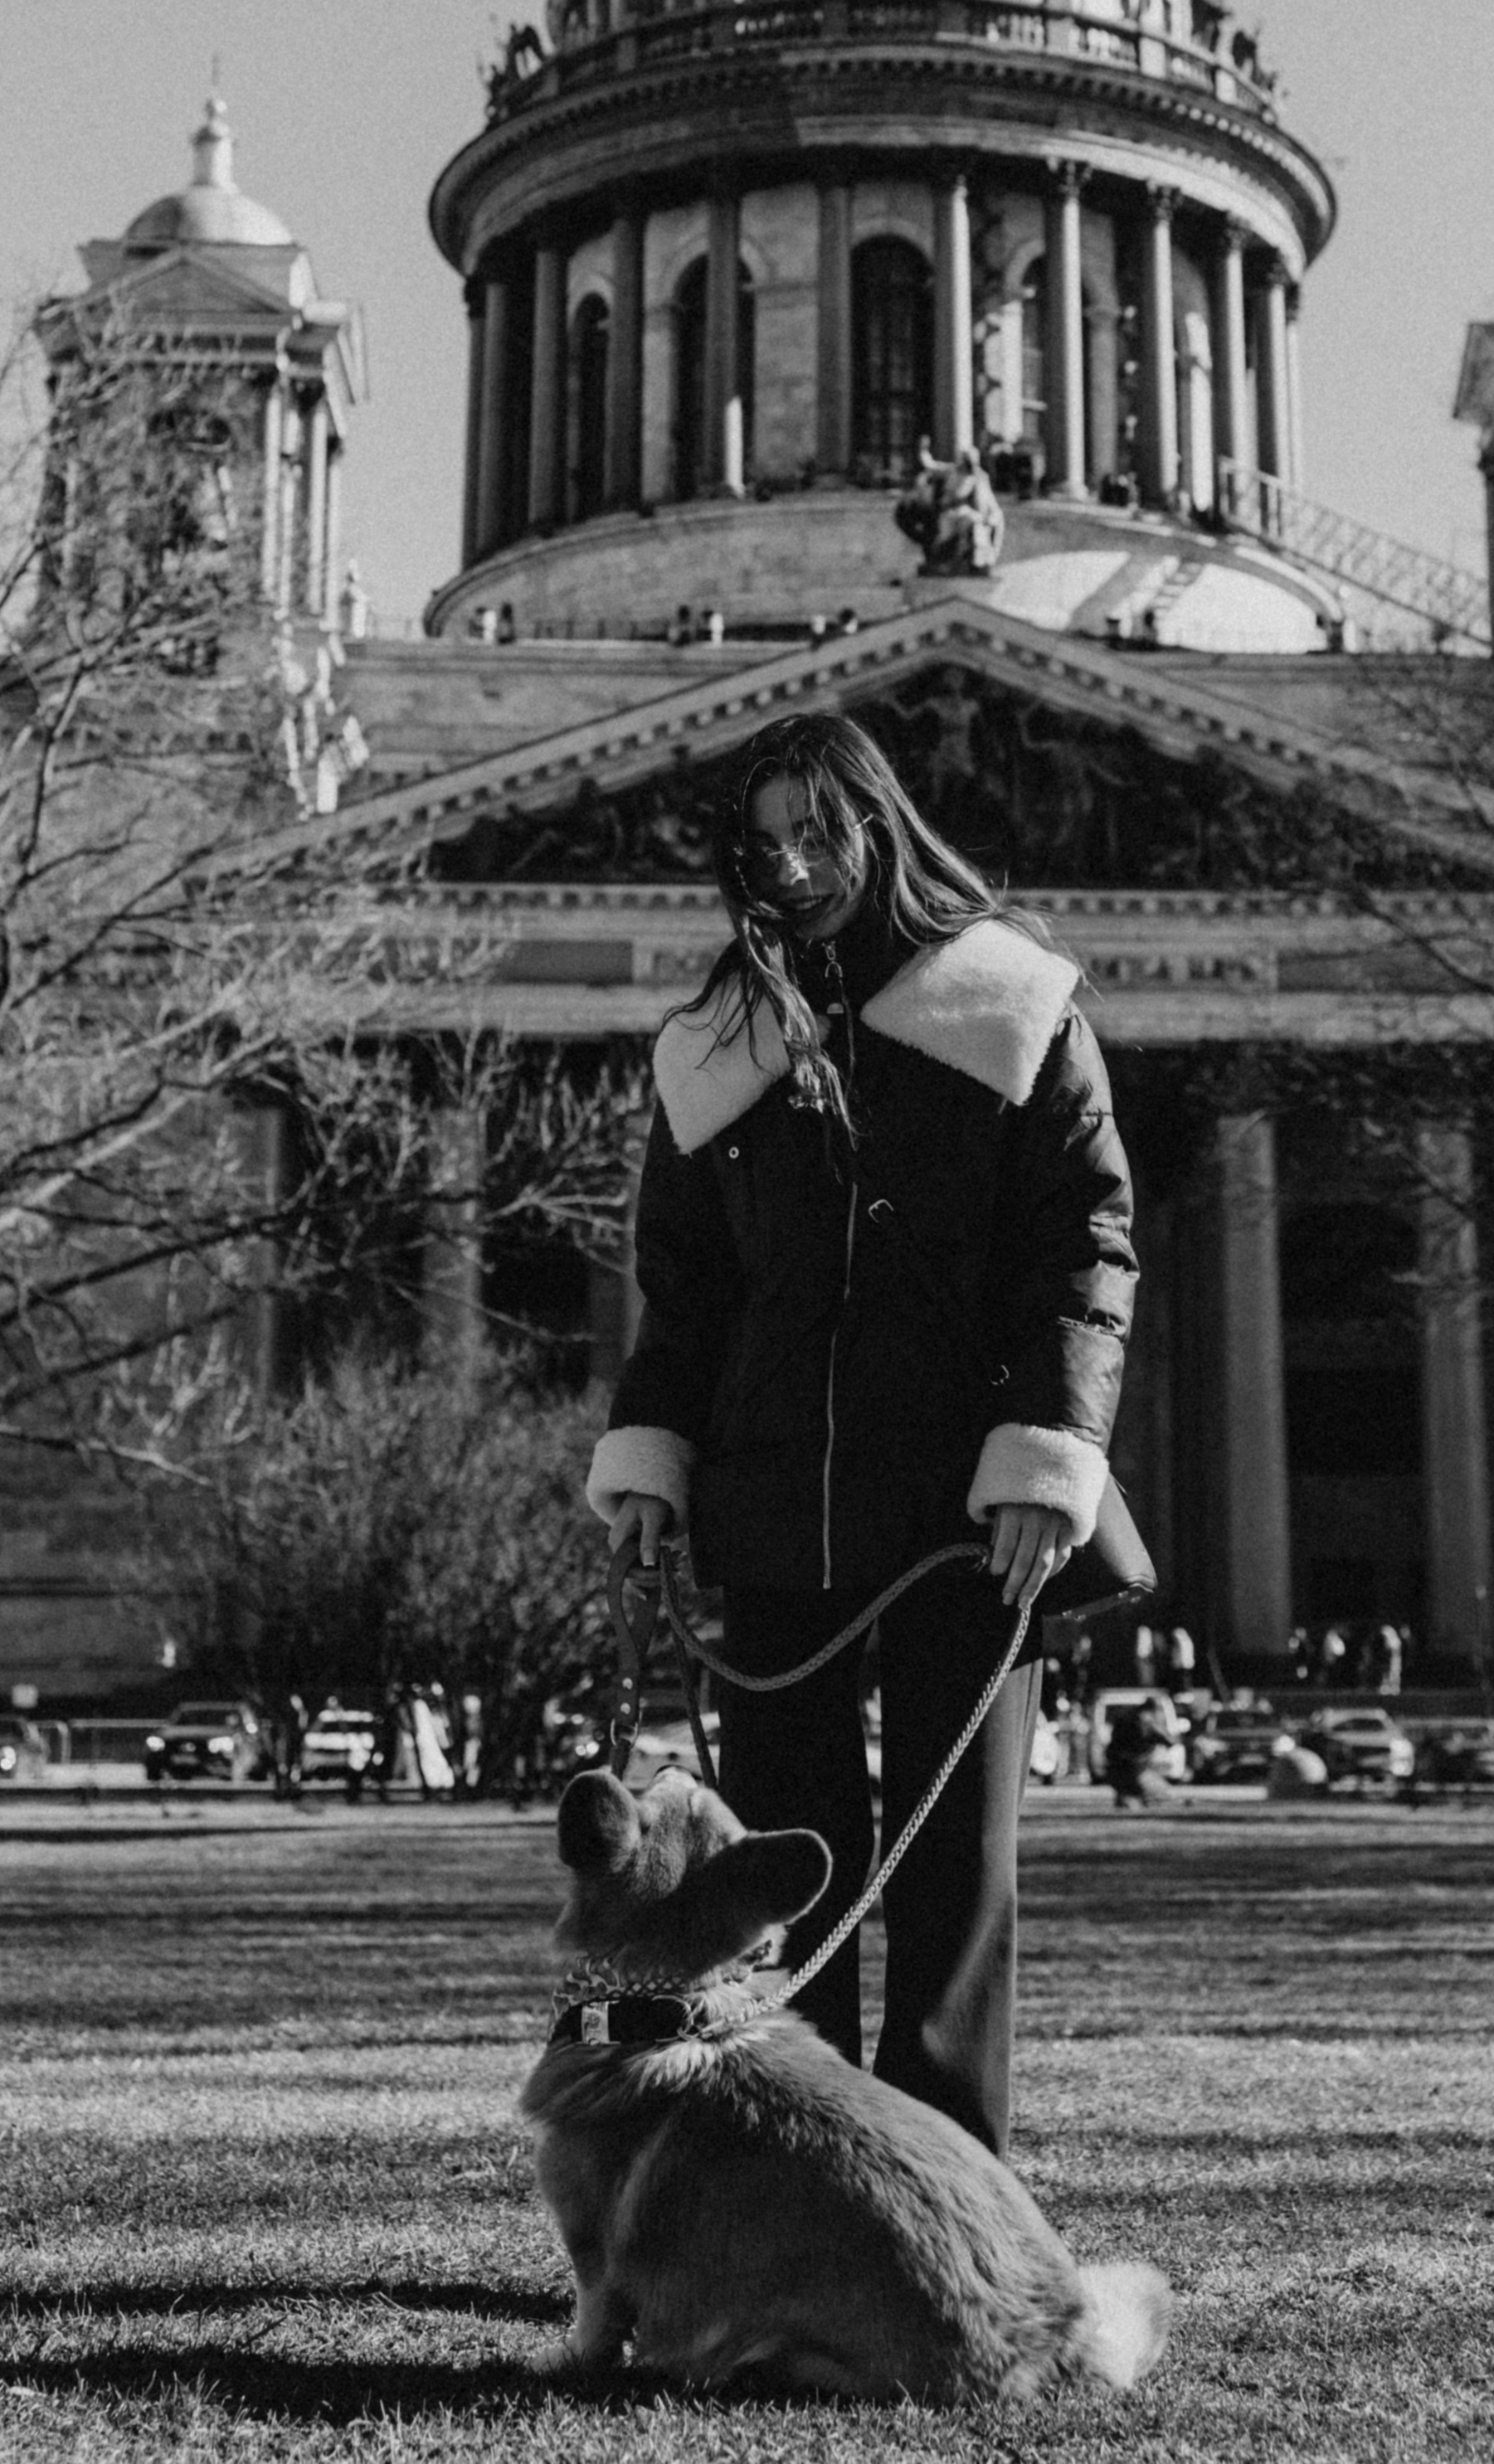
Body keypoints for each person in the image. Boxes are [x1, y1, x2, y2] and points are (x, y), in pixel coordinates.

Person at [587, 712, 1136, 2155]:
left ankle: (947, 2179)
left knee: (958, 1868)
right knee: (782, 1861)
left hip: (972, 1507)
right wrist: (652, 1463)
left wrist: (1043, 1454)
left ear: (878, 824)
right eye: (761, 844)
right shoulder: (720, 1046)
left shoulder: (1012, 1007)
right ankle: (794, 2169)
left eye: (818, 833)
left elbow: (1086, 1247)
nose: (792, 868)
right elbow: (685, 1290)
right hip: (777, 1500)